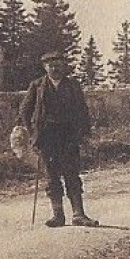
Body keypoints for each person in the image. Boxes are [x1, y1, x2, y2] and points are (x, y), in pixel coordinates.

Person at [17, 51, 98, 228]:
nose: (55, 69)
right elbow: (24, 111)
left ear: (64, 67)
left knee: (72, 174)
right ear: (45, 67)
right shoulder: (37, 86)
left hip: (69, 136)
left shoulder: (73, 86)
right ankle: (58, 215)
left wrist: (83, 134)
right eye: (51, 65)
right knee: (52, 176)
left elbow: (83, 111)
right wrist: (32, 134)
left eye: (58, 65)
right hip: (47, 137)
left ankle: (78, 214)